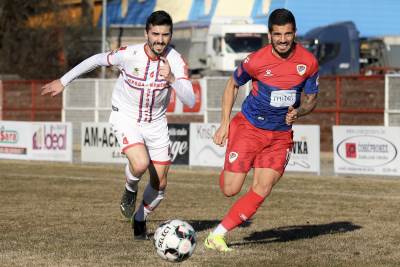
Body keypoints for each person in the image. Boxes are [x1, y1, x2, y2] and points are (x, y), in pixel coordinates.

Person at [41, 10, 195, 240]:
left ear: (171, 36)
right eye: (155, 34)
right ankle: (130, 190)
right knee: (141, 163)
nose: (160, 40)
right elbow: (96, 60)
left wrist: (172, 79)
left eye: (165, 35)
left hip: (156, 123)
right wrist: (64, 81)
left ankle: (140, 218)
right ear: (146, 33)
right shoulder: (129, 54)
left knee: (160, 182)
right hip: (126, 116)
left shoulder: (176, 61)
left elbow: (190, 100)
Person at [204, 8, 319, 252]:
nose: (283, 39)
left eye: (287, 34)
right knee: (230, 189)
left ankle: (217, 235)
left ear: (294, 33)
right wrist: (225, 122)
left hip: (280, 135)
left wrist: (299, 111)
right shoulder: (255, 60)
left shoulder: (308, 62)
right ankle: (237, 160)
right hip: (249, 128)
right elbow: (232, 84)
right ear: (270, 35)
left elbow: (310, 99)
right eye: (277, 34)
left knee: (262, 187)